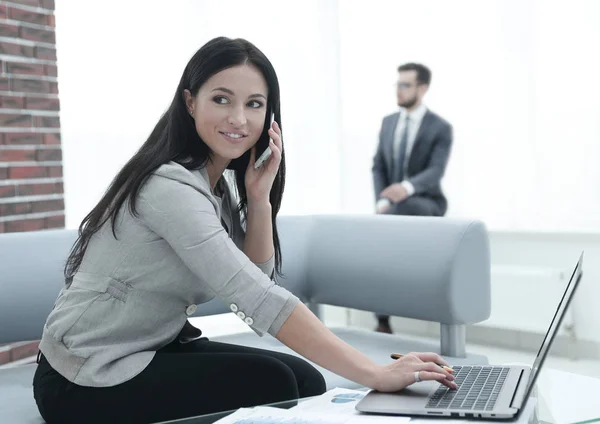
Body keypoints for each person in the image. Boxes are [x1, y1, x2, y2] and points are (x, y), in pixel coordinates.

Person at [32, 38, 456, 424]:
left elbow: (258, 276)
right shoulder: (168, 185)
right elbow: (257, 297)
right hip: (84, 375)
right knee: (276, 384)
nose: (239, 119)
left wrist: (258, 199)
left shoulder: (213, 188)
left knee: (304, 379)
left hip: (149, 348)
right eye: (221, 99)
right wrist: (374, 372)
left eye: (255, 104)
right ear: (190, 102)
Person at [372, 63, 453, 334]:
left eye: (405, 85)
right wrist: (381, 201)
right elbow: (378, 166)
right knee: (377, 235)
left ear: (422, 88)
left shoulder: (440, 127)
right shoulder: (388, 122)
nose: (399, 90)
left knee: (394, 217)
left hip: (425, 202)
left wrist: (406, 188)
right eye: (397, 84)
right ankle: (382, 320)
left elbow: (436, 170)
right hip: (391, 207)